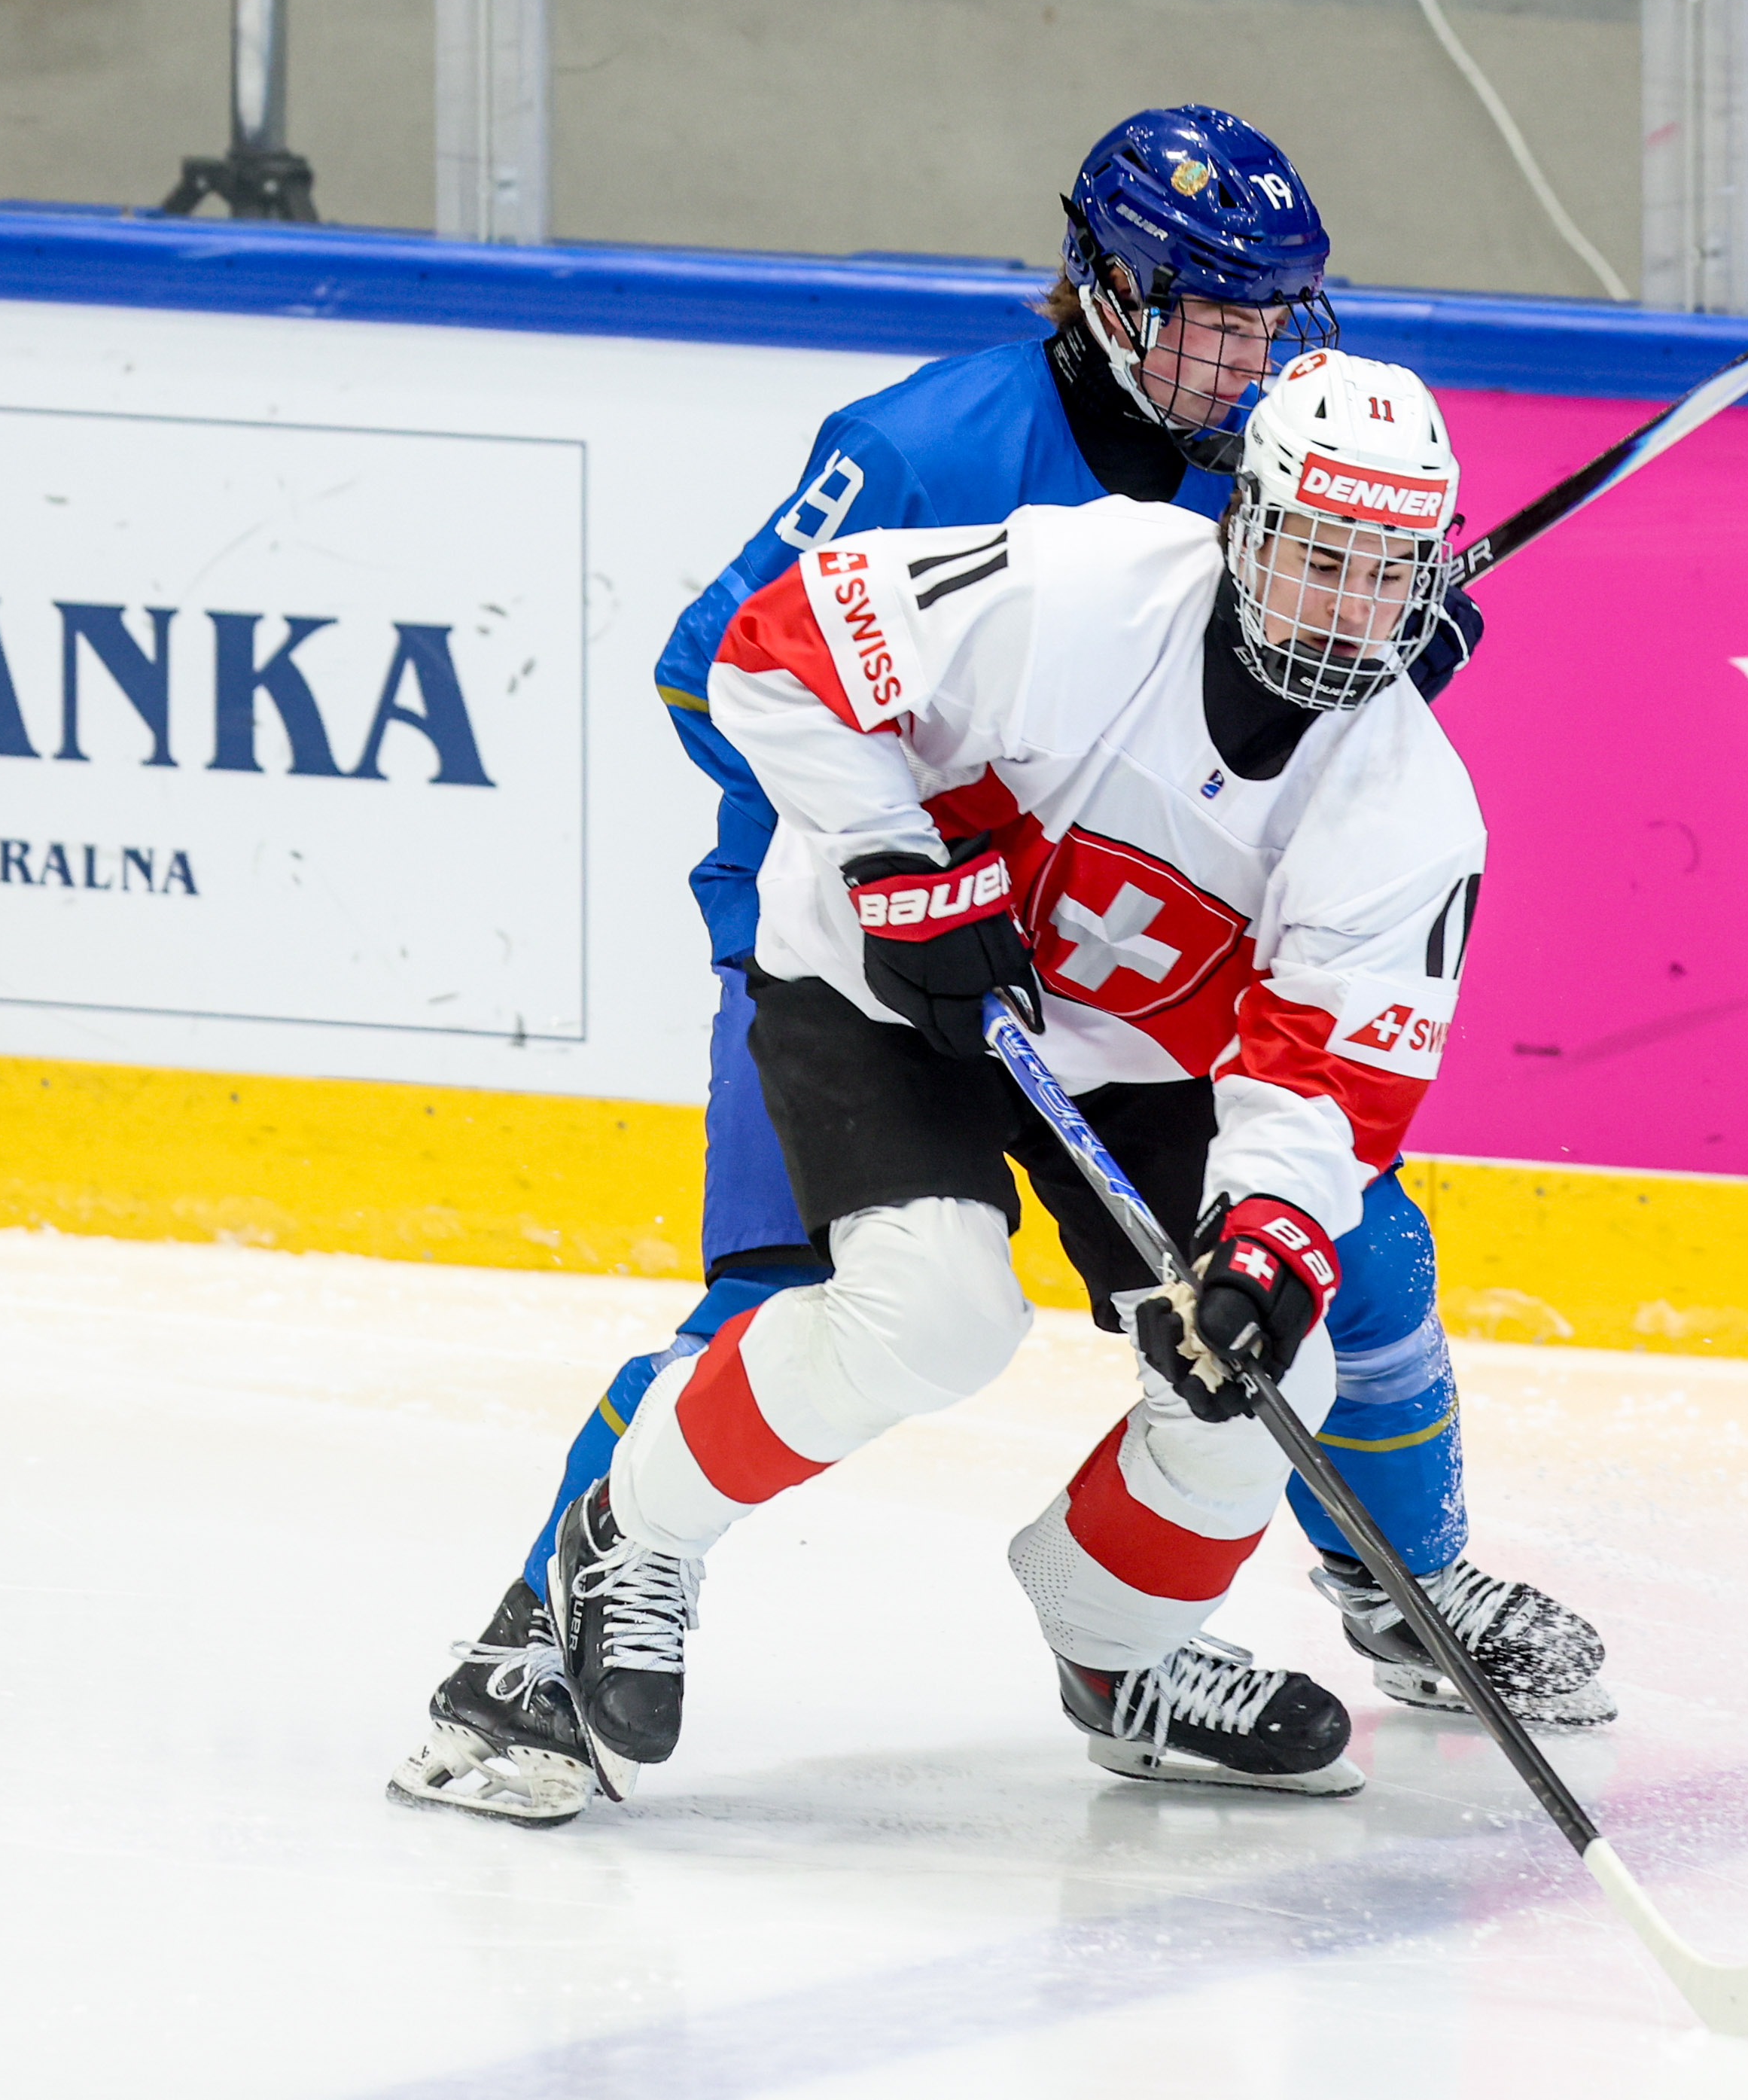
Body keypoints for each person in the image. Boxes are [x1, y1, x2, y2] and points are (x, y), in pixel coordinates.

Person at [389, 114, 1606, 1828]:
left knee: (1325, 1272)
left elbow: (1257, 770)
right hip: (874, 925)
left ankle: (1358, 1594)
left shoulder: (1258, 481)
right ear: (1109, 291)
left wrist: (1368, 667)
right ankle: (530, 1647)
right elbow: (721, 666)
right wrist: (897, 859)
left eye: (1271, 323)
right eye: (1213, 317)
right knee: (822, 1291)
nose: (1248, 358)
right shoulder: (929, 452)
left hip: (1115, 979)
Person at [544, 352, 1493, 1799]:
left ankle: (1117, 1649)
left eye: (1386, 572)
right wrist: (896, 863)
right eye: (1319, 557)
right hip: (883, 986)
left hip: (1132, 1058)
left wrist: (1268, 1233)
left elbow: (1328, 1073)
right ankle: (636, 1530)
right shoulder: (1085, 583)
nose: (1348, 610)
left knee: (1263, 1366)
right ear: (1246, 524)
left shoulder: (1412, 807)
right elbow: (775, 649)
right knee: (937, 1312)